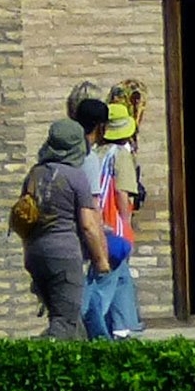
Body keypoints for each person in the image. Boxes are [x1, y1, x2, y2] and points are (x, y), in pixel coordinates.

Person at [18, 115, 107, 339]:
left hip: (35, 253)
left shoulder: (34, 174)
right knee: (64, 324)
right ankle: (32, 361)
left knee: (70, 322)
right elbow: (88, 225)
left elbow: (23, 218)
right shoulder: (76, 177)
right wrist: (101, 260)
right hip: (64, 255)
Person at [85, 84, 151, 339]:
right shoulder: (120, 155)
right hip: (114, 223)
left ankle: (125, 324)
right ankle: (107, 328)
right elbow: (123, 193)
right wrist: (126, 223)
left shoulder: (96, 152)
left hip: (97, 220)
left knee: (121, 277)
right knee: (110, 279)